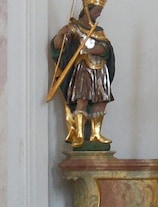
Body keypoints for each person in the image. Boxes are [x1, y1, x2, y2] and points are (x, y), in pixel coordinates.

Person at [48, 0, 115, 148]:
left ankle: (95, 134)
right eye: (96, 11)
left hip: (100, 69)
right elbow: (58, 45)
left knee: (101, 101)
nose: (98, 14)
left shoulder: (98, 30)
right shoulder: (74, 28)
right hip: (83, 68)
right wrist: (61, 35)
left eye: (99, 11)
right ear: (87, 10)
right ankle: (79, 134)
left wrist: (93, 49)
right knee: (82, 99)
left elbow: (106, 48)